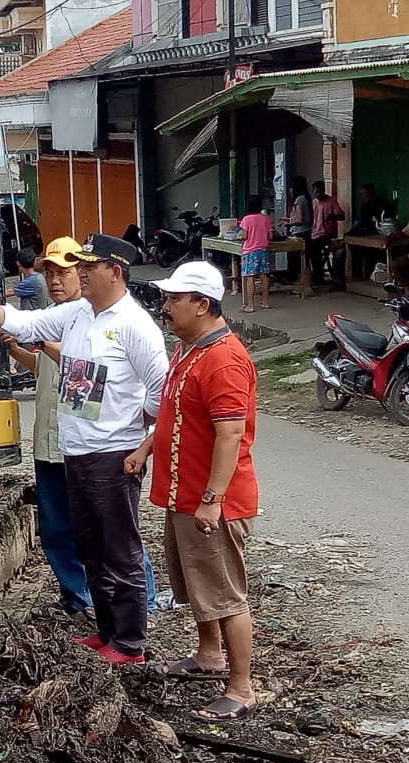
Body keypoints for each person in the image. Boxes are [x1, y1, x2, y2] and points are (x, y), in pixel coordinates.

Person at [0, 234, 169, 664]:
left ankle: (131, 641)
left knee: (120, 548)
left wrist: (136, 429)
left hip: (111, 454)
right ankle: (106, 630)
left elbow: (161, 391)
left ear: (114, 272)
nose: (80, 272)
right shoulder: (79, 314)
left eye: (88, 266)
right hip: (74, 451)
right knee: (91, 549)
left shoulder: (135, 326)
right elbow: (25, 324)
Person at [125, 260, 259, 723]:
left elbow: (230, 434)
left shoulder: (223, 359)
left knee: (224, 593)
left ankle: (241, 688)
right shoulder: (188, 349)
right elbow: (170, 414)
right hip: (185, 493)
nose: (166, 307)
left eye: (174, 300)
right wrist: (146, 450)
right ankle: (208, 655)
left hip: (211, 501)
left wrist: (212, 499)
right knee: (198, 586)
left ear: (202, 305)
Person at [3, 237, 160, 621]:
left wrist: (42, 342)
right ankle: (80, 598)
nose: (57, 280)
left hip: (97, 445)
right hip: (55, 440)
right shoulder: (62, 318)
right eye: (50, 273)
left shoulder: (101, 321)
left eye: (67, 272)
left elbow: (91, 376)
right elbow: (44, 370)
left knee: (115, 537)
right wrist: (17, 347)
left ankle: (140, 608)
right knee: (62, 529)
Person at [308, 180, 344, 292]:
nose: (318, 194)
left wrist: (333, 216)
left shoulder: (331, 201)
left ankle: (318, 276)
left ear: (324, 190)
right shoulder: (314, 203)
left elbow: (342, 216)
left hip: (327, 233)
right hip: (315, 233)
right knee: (309, 247)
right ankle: (315, 274)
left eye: (320, 192)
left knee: (315, 248)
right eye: (316, 192)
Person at [238, 196, 272, 313]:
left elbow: (244, 236)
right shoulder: (265, 218)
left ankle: (251, 305)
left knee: (250, 277)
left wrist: (240, 236)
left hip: (250, 252)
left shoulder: (246, 219)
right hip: (263, 250)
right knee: (264, 276)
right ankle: (266, 302)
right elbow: (270, 236)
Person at [278, 176, 312, 286]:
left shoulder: (299, 200)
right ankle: (305, 285)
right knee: (304, 260)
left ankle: (302, 284)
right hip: (305, 231)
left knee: (298, 261)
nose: (290, 190)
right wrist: (288, 220)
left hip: (300, 233)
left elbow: (299, 219)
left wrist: (289, 223)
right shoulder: (305, 198)